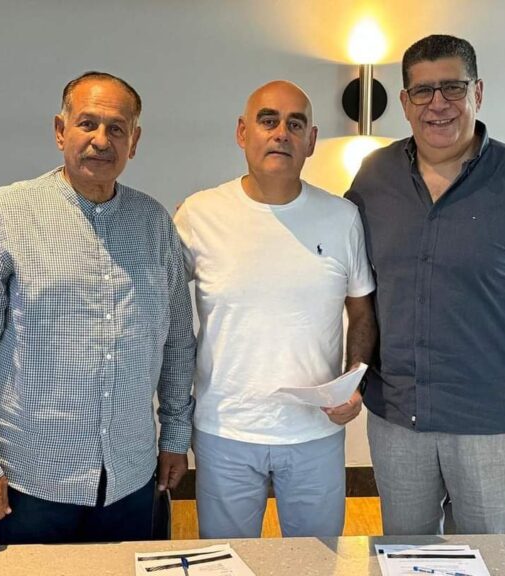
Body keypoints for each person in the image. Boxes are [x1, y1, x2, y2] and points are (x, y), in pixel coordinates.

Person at [0, 72, 195, 544]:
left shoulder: (154, 223)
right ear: (60, 131)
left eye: (117, 128)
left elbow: (177, 342)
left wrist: (175, 435)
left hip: (131, 477)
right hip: (31, 480)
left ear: (134, 142)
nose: (102, 140)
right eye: (87, 123)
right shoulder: (7, 213)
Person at [346, 35, 505, 535]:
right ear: (405, 102)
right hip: (397, 418)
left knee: (493, 559)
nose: (438, 104)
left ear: (477, 92)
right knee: (406, 557)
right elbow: (337, 262)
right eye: (423, 91)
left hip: (488, 424)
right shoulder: (374, 177)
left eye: (453, 88)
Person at [174, 80, 376, 538]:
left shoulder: (342, 217)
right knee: (229, 563)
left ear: (311, 140)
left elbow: (362, 311)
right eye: (268, 121)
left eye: (295, 124)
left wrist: (355, 381)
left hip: (315, 434)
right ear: (242, 132)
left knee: (315, 564)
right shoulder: (199, 214)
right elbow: (156, 304)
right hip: (225, 431)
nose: (281, 132)